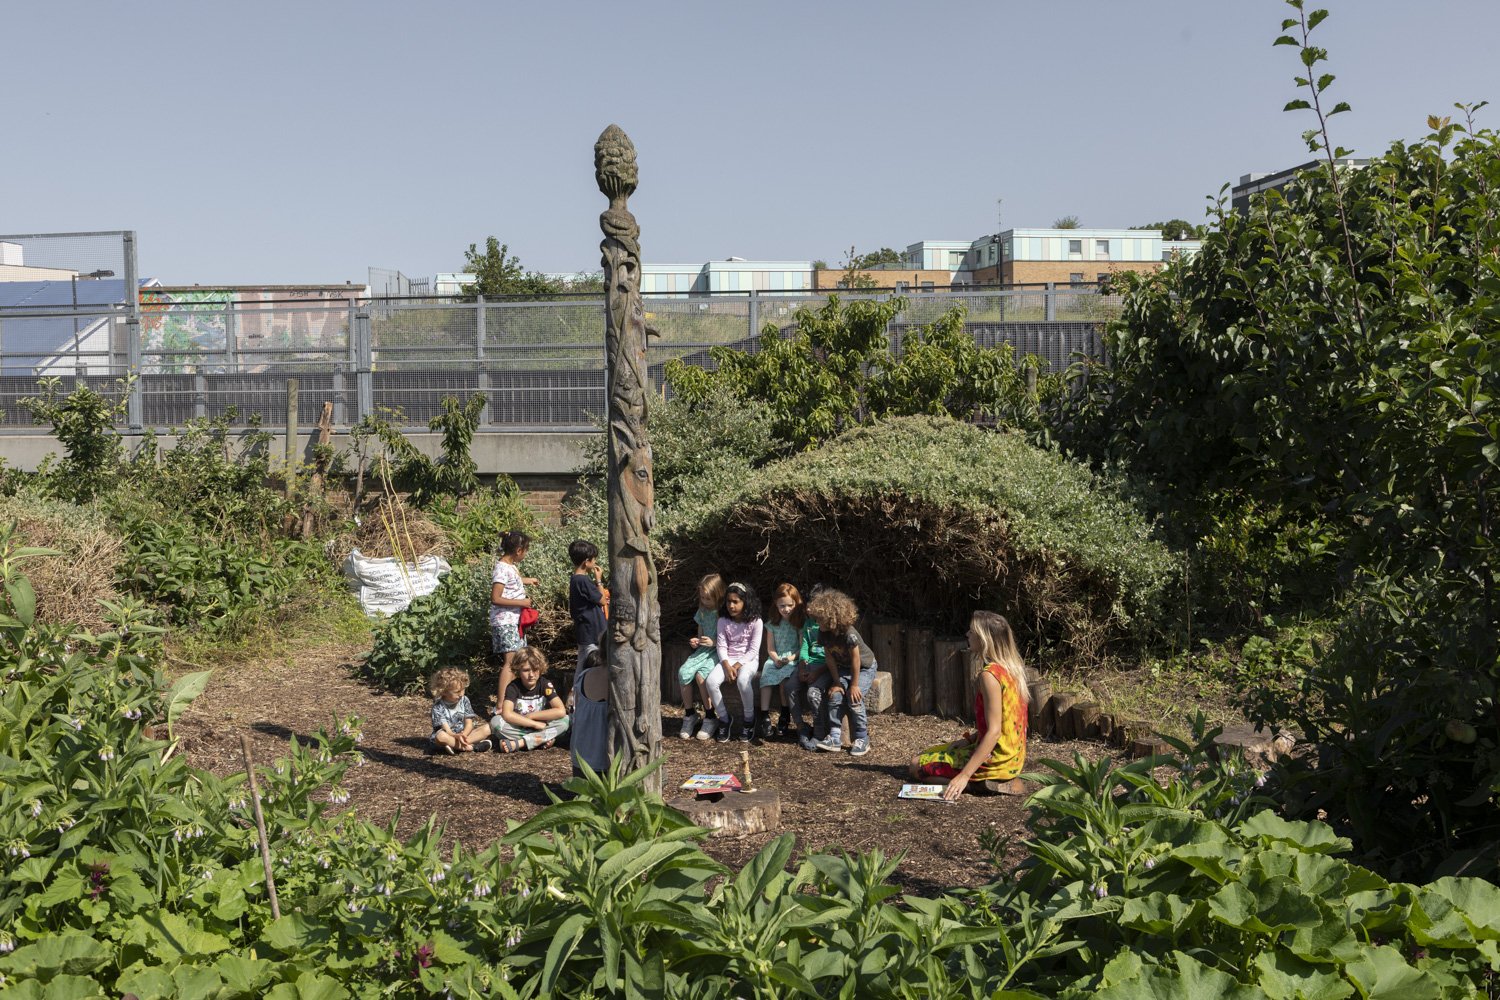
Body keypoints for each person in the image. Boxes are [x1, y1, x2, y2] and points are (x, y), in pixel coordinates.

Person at [910, 611, 1031, 800]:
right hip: (1013, 759)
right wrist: (969, 739)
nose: (967, 634)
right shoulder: (1012, 669)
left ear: (985, 640)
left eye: (972, 632)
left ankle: (976, 783)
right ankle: (982, 778)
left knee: (916, 766)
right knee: (929, 753)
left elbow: (995, 731)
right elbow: (1006, 723)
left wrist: (964, 776)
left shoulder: (990, 675)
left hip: (996, 761)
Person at [806, 588, 876, 757]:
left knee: (854, 698)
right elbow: (829, 658)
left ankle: (861, 737)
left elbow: (856, 660)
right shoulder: (823, 633)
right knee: (835, 696)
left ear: (831, 617)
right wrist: (837, 682)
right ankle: (835, 737)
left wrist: (853, 685)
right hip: (843, 667)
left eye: (820, 619)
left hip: (864, 667)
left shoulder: (849, 634)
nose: (817, 622)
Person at [705, 581, 763, 744]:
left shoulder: (756, 621)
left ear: (746, 601)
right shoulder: (723, 620)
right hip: (727, 659)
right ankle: (724, 718)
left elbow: (753, 650)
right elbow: (722, 646)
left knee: (743, 680)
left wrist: (737, 666)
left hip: (749, 660)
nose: (731, 605)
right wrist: (726, 665)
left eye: (736, 601)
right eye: (729, 601)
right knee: (711, 682)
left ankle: (749, 719)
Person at [490, 531, 539, 714]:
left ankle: (510, 702)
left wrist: (527, 581)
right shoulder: (502, 567)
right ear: (519, 550)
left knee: (516, 662)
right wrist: (522, 602)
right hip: (506, 622)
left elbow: (512, 582)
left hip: (514, 621)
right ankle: (501, 706)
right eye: (526, 550)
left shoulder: (510, 567)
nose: (526, 553)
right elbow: (495, 597)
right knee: (510, 664)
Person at [491, 647, 570, 752]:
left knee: (566, 720)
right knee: (495, 722)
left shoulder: (544, 684)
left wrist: (532, 716)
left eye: (535, 669)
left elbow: (560, 710)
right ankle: (541, 739)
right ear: (518, 669)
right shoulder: (513, 687)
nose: (531, 674)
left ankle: (521, 743)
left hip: (541, 725)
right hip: (521, 726)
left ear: (541, 668)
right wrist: (533, 723)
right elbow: (507, 714)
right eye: (526, 670)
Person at [755, 583, 805, 743]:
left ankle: (785, 714)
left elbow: (801, 647)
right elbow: (770, 648)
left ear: (797, 603)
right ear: (776, 605)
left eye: (790, 605)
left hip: (792, 658)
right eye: (782, 605)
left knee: (785, 680)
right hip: (776, 658)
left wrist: (790, 659)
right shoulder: (772, 624)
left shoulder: (799, 623)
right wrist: (776, 659)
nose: (786, 609)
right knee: (766, 678)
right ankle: (764, 715)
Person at [678, 573, 725, 740]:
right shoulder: (702, 612)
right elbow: (700, 634)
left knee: (701, 676)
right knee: (684, 672)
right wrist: (696, 641)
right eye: (703, 598)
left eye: (708, 599)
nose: (705, 602)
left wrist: (713, 642)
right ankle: (690, 714)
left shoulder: (722, 613)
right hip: (703, 651)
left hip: (717, 652)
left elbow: (727, 640)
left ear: (718, 596)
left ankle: (710, 716)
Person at [428, 667, 493, 754]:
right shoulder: (438, 706)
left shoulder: (464, 700)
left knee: (487, 728)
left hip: (463, 734)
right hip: (448, 735)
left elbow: (469, 723)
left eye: (463, 690)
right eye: (457, 692)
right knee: (441, 736)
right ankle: (471, 747)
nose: (461, 694)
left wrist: (463, 735)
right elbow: (446, 730)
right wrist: (455, 736)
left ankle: (456, 747)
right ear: (444, 691)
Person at [793, 602, 830, 752]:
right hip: (809, 664)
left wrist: (817, 673)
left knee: (812, 693)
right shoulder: (808, 624)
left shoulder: (829, 625)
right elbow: (804, 647)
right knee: (789, 687)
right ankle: (801, 727)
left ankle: (819, 732)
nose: (809, 609)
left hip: (826, 666)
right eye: (808, 605)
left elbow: (832, 657)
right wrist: (802, 667)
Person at [570, 647, 612, 777]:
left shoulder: (582, 676)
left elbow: (576, 711)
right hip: (606, 763)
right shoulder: (616, 678)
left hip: (580, 758)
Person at [568, 540, 608, 671]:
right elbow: (602, 600)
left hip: (584, 631)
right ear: (586, 561)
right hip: (592, 632)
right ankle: (580, 690)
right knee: (589, 667)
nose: (595, 562)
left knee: (583, 665)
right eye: (594, 559)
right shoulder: (583, 580)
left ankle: (577, 690)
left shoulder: (575, 579)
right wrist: (599, 580)